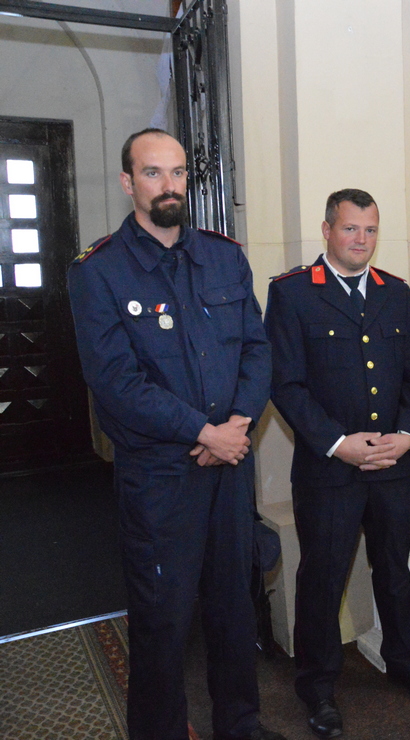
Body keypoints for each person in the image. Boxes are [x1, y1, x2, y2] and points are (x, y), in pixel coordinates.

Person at [67, 129, 282, 740]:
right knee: (162, 622)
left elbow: (257, 350)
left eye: (179, 172)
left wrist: (237, 424)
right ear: (127, 182)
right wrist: (203, 431)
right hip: (160, 477)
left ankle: (240, 725)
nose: (169, 185)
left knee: (234, 608)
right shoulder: (99, 270)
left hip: (229, 467)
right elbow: (116, 383)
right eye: (153, 173)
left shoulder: (223, 256)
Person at [265, 189, 410, 738]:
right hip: (329, 470)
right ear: (327, 230)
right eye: (350, 229)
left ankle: (404, 661)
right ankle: (317, 687)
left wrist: (406, 435)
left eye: (369, 230)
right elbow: (286, 385)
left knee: (394, 568)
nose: (360, 240)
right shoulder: (293, 293)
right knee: (323, 579)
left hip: (390, 462)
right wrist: (337, 442)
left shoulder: (395, 291)